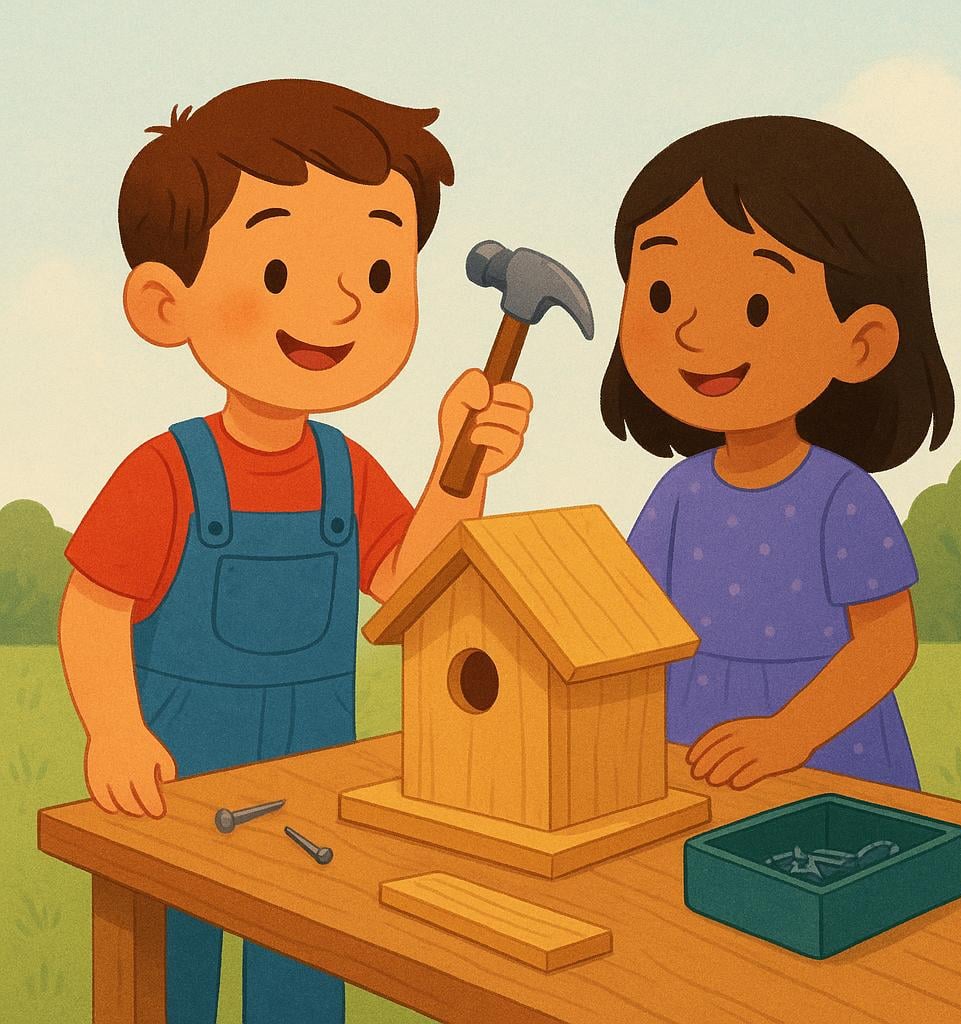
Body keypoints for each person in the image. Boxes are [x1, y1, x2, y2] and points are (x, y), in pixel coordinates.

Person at [58, 79, 532, 1024]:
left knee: (304, 986)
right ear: (164, 303)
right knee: (167, 981)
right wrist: (114, 729)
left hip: (317, 797)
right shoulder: (166, 475)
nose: (343, 303)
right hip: (177, 792)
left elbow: (407, 586)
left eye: (382, 271)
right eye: (278, 271)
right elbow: (95, 604)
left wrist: (459, 470)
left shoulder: (344, 471)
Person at [601, 116, 954, 792]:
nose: (695, 331)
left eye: (757, 303)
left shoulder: (841, 500)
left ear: (862, 343)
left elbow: (886, 644)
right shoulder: (679, 494)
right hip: (691, 744)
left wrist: (789, 733)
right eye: (663, 294)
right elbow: (628, 613)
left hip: (827, 755)